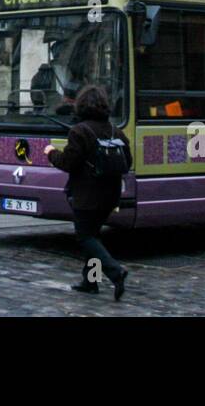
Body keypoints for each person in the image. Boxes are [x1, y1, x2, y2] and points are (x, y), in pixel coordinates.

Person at [44, 86, 131, 301]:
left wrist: (51, 153)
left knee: (85, 237)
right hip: (110, 195)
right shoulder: (115, 131)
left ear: (81, 105)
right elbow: (127, 163)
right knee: (94, 235)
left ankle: (115, 271)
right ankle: (90, 281)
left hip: (87, 195)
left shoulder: (79, 131)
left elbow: (68, 163)